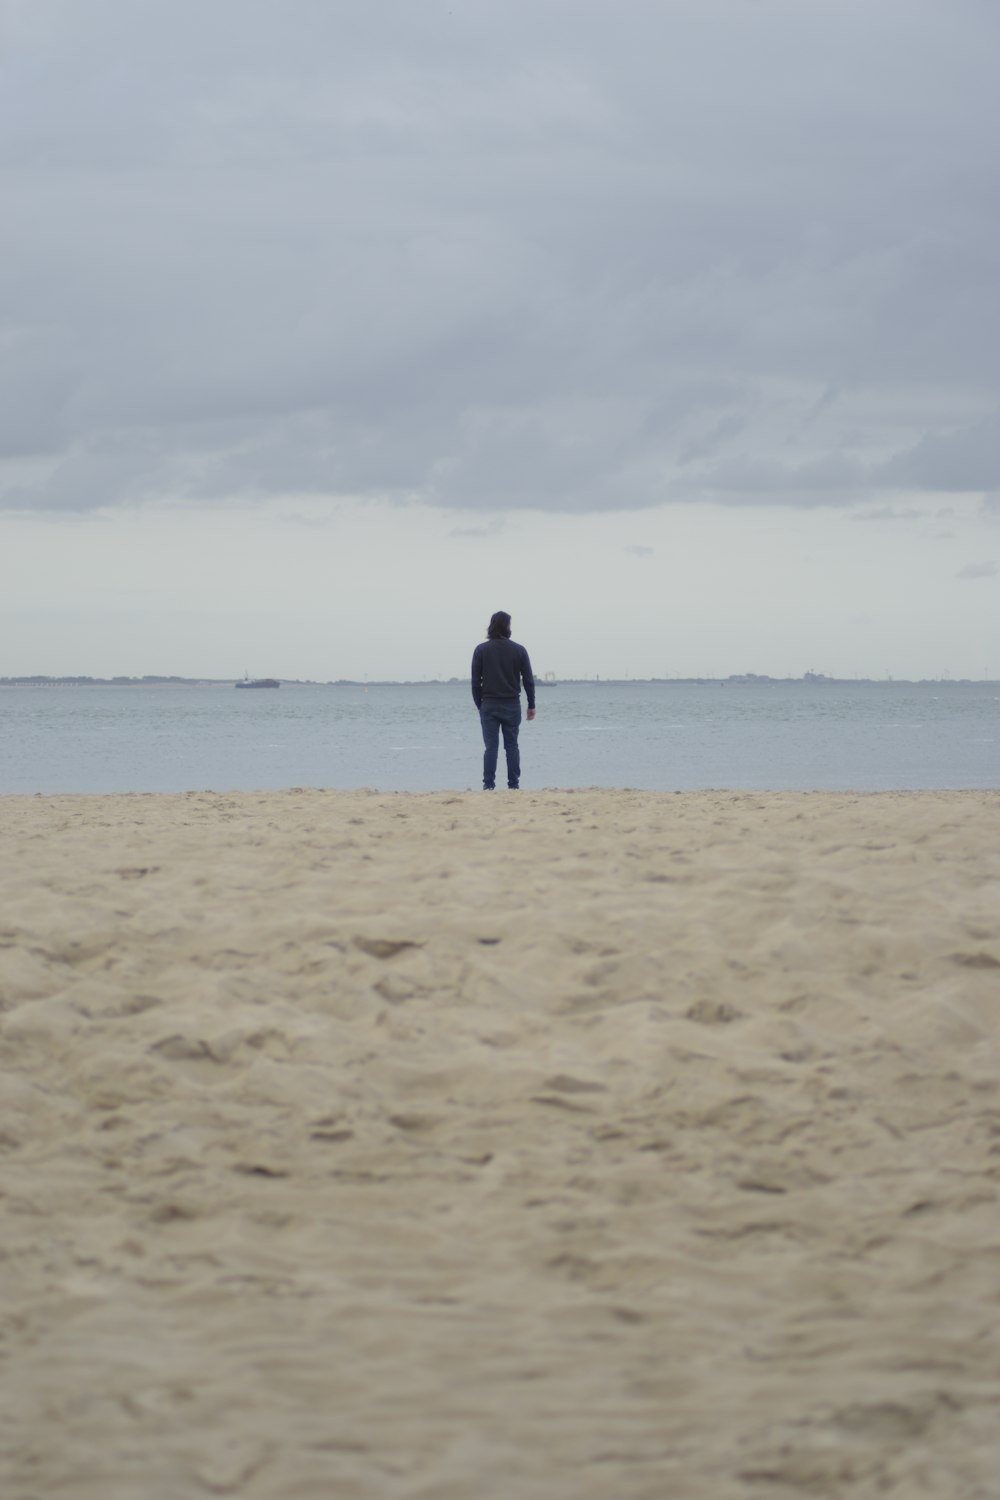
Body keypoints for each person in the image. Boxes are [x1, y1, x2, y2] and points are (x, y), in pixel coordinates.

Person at [471, 611, 536, 790]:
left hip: (489, 704)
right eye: (509, 625)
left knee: (491, 747)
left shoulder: (481, 650)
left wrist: (480, 705)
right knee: (512, 746)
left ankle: (488, 785)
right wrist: (531, 705)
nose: (510, 628)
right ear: (506, 627)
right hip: (512, 704)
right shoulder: (519, 650)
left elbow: (476, 682)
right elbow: (528, 680)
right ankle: (514, 785)